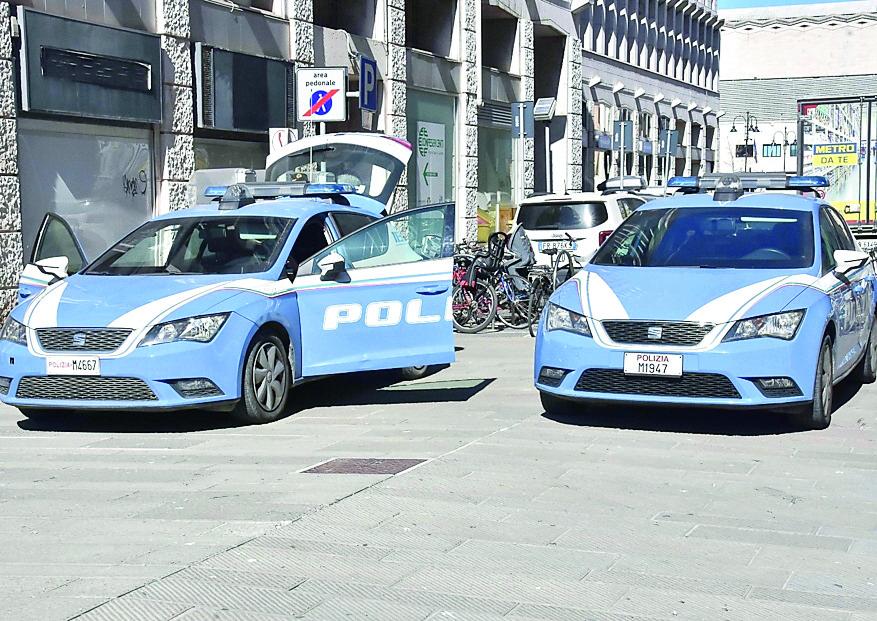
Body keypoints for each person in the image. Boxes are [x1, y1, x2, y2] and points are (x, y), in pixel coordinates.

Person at [505, 219, 535, 295]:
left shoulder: (515, 237)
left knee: (509, 267)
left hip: (524, 258)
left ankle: (521, 288)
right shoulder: (519, 233)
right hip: (528, 256)